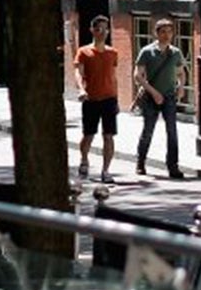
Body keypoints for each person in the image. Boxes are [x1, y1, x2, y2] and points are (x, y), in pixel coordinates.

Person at [132, 18, 186, 179]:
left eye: (169, 31)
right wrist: (153, 92)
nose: (167, 35)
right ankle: (140, 162)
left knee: (172, 132)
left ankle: (173, 166)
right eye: (163, 31)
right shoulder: (147, 51)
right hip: (150, 97)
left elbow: (181, 72)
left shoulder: (175, 52)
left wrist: (181, 87)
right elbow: (138, 76)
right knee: (148, 131)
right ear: (156, 33)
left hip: (169, 96)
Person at [73, 14, 121, 183]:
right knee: (89, 135)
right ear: (92, 30)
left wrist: (117, 99)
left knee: (108, 136)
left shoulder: (112, 52)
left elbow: (113, 77)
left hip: (109, 99)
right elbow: (78, 73)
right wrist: (81, 89)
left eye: (104, 29)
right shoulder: (84, 52)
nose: (102, 32)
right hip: (91, 99)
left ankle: (106, 170)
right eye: (98, 29)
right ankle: (84, 159)